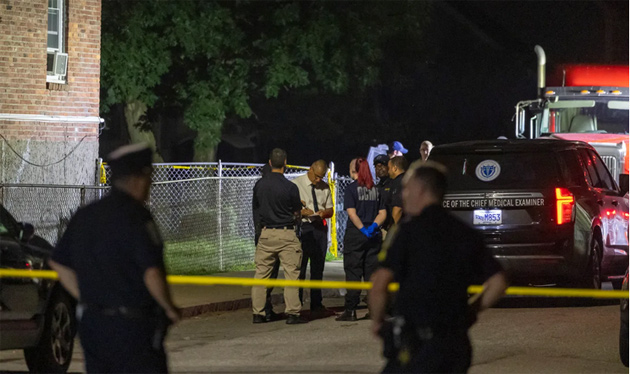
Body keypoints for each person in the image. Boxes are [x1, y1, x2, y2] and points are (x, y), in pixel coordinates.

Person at [49, 143, 181, 374]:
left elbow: (58, 263)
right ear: (139, 178)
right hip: (133, 326)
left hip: (93, 324)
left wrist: (86, 296)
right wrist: (168, 307)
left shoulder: (86, 215)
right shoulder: (138, 217)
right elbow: (151, 273)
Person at [370, 161, 508, 373]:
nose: (404, 195)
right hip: (455, 344)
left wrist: (378, 321)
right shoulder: (465, 233)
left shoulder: (406, 232)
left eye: (407, 188)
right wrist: (471, 311)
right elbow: (498, 282)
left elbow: (379, 283)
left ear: (421, 190)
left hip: (417, 343)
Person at [251, 148, 306, 324]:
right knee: (291, 274)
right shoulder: (290, 187)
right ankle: (292, 313)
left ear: (269, 163)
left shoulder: (260, 185)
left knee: (261, 275)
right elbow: (297, 213)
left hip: (266, 233)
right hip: (286, 233)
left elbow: (257, 209)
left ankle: (258, 313)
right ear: (285, 163)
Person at [337, 157, 387, 321]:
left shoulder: (351, 189)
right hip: (374, 236)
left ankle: (350, 310)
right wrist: (372, 227)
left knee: (353, 272)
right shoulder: (377, 189)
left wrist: (362, 229)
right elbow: (382, 213)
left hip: (356, 234)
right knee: (371, 273)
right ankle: (374, 309)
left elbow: (352, 213)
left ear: (356, 171)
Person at [292, 160, 334, 318]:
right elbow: (290, 209)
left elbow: (330, 209)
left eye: (321, 177)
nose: (318, 180)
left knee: (318, 268)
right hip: (304, 228)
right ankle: (296, 305)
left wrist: (324, 213)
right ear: (310, 169)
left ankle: (316, 304)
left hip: (319, 228)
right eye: (317, 176)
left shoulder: (324, 186)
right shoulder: (296, 184)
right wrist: (302, 212)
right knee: (300, 268)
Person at [254, 163, 282, 322]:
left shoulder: (259, 187)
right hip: (269, 232)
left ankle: (262, 309)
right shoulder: (268, 189)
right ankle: (265, 309)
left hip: (260, 233)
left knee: (262, 274)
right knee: (270, 274)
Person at [374, 154, 393, 236]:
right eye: (377, 166)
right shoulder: (375, 188)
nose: (379, 168)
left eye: (383, 165)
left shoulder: (394, 185)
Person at [387, 156, 408, 225]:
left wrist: (393, 228)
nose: (388, 171)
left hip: (401, 227)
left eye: (389, 168)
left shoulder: (398, 182)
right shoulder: (410, 180)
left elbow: (398, 208)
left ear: (395, 168)